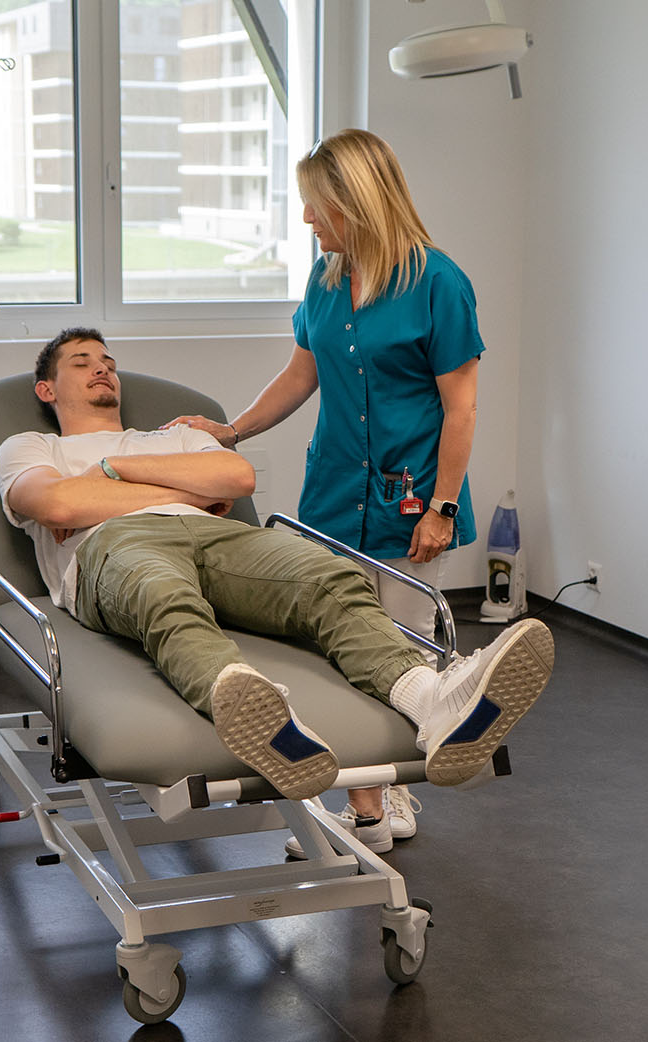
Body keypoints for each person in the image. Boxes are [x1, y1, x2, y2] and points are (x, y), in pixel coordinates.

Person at [0, 328, 552, 813]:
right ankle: (259, 714)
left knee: (326, 575)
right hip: (114, 546)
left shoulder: (172, 435)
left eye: (108, 362)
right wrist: (185, 487)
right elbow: (59, 508)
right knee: (161, 593)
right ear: (47, 389)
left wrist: (109, 472)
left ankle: (430, 699)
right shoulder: (29, 446)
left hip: (221, 536)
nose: (102, 370)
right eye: (82, 362)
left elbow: (236, 478)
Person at [166, 129, 486, 847]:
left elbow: (461, 407)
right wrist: (234, 430)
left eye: (316, 206)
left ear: (356, 203)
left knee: (402, 645)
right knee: (337, 644)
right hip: (336, 491)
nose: (307, 220)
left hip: (412, 496)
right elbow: (301, 374)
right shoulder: (325, 280)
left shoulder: (438, 282)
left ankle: (397, 794)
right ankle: (363, 802)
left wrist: (441, 506)